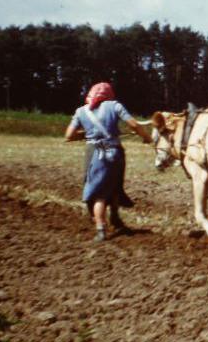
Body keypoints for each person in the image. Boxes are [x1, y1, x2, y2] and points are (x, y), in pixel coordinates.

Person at [65, 82, 152, 242]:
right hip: (116, 152)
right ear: (109, 94)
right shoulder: (114, 105)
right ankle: (115, 217)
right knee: (114, 185)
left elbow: (69, 135)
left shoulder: (81, 111)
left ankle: (101, 228)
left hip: (94, 153)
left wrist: (85, 134)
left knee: (98, 193)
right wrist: (146, 137)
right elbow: (133, 124)